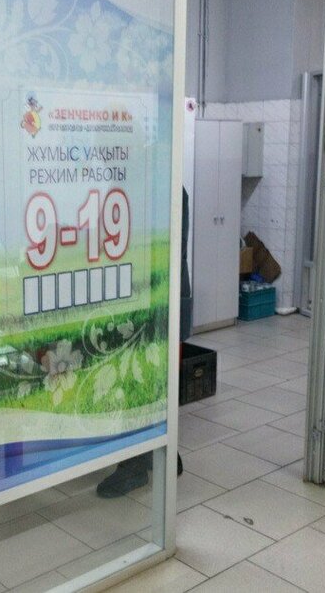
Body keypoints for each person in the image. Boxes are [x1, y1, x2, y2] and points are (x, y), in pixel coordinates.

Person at [97, 188, 191, 498]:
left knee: (137, 383)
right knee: (156, 383)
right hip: (162, 301)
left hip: (155, 304)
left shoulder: (154, 188)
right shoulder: (167, 184)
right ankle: (161, 450)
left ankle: (135, 466)